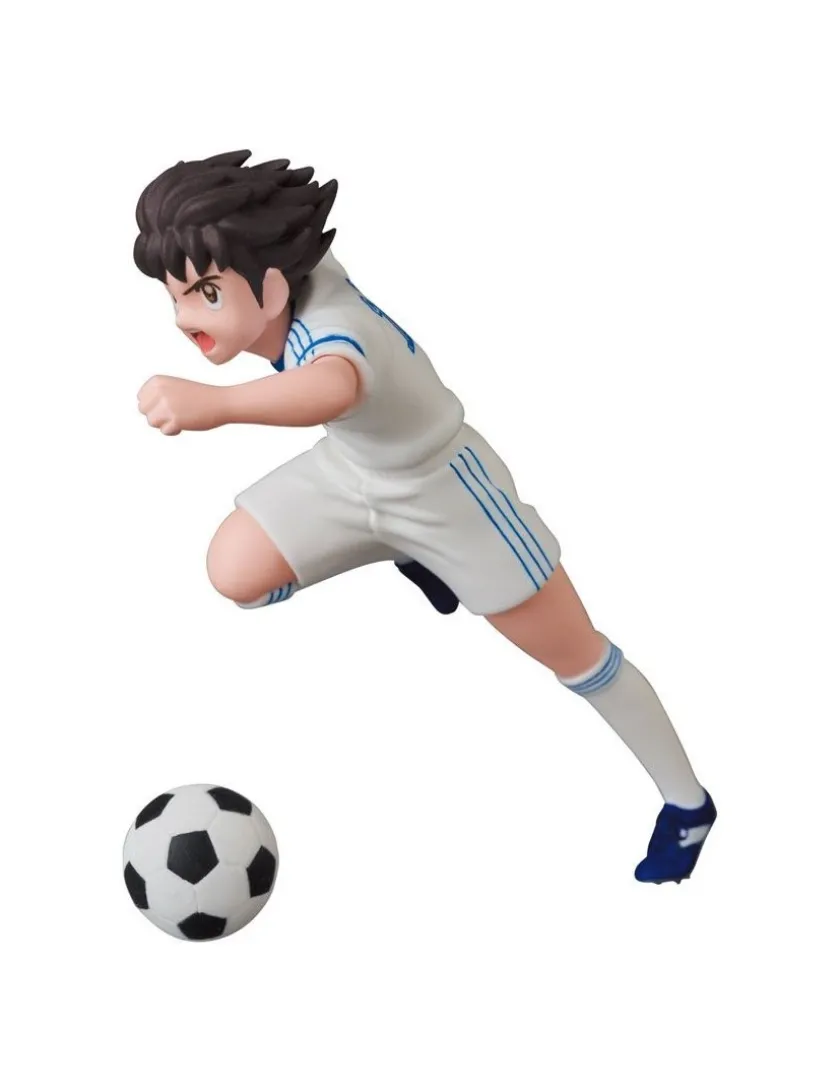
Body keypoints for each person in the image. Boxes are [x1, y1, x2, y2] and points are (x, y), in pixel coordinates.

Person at [135, 150, 716, 883]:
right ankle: (402, 553)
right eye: (177, 295)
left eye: (207, 294)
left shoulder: (336, 328)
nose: (186, 317)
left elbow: (331, 389)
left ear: (274, 284)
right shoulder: (288, 273)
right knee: (234, 573)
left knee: (579, 657)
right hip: (354, 472)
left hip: (448, 492)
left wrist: (216, 405)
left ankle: (688, 804)